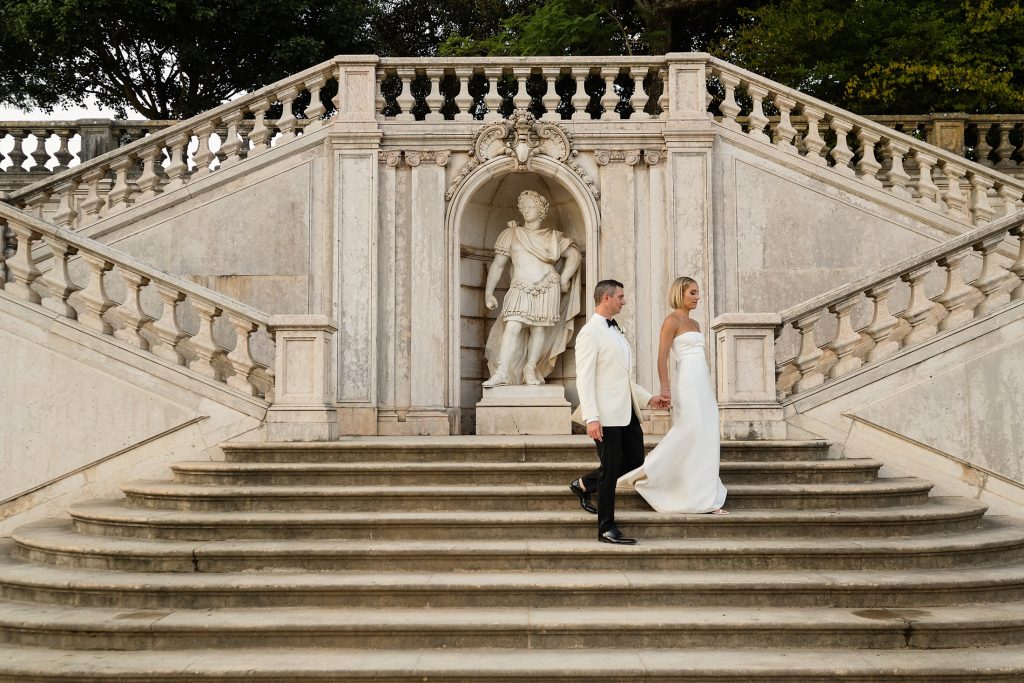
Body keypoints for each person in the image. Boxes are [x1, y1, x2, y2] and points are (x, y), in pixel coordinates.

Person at [568, 279, 668, 544]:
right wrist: (592, 417)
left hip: (627, 411)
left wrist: (650, 399)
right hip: (605, 415)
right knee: (610, 469)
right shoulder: (590, 333)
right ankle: (605, 529)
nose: (624, 301)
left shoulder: (615, 331)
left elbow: (622, 377)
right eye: (621, 297)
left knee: (635, 460)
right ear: (606, 299)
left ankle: (585, 484)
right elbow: (584, 378)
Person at [618, 277, 728, 514]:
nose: (698, 297)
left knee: (706, 432)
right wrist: (665, 388)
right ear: (680, 293)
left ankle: (705, 494)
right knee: (689, 429)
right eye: (693, 292)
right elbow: (662, 357)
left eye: (698, 292)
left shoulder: (696, 324)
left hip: (702, 382)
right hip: (685, 382)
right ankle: (652, 472)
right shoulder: (672, 320)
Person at [482, 190, 582, 387]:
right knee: (512, 326)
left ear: (541, 210)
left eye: (530, 206)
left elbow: (575, 256)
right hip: (520, 286)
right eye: (523, 207)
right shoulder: (511, 234)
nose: (525, 210)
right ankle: (502, 371)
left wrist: (563, 279)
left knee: (538, 329)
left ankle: (530, 369)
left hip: (547, 285)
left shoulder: (552, 237)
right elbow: (498, 265)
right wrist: (488, 292)